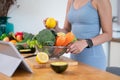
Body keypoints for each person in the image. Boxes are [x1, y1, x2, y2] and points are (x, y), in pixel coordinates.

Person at [44, 0, 112, 70]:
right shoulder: (71, 1)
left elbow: (108, 34)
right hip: (74, 58)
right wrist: (56, 28)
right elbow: (67, 30)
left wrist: (85, 42)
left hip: (93, 59)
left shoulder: (102, 1)